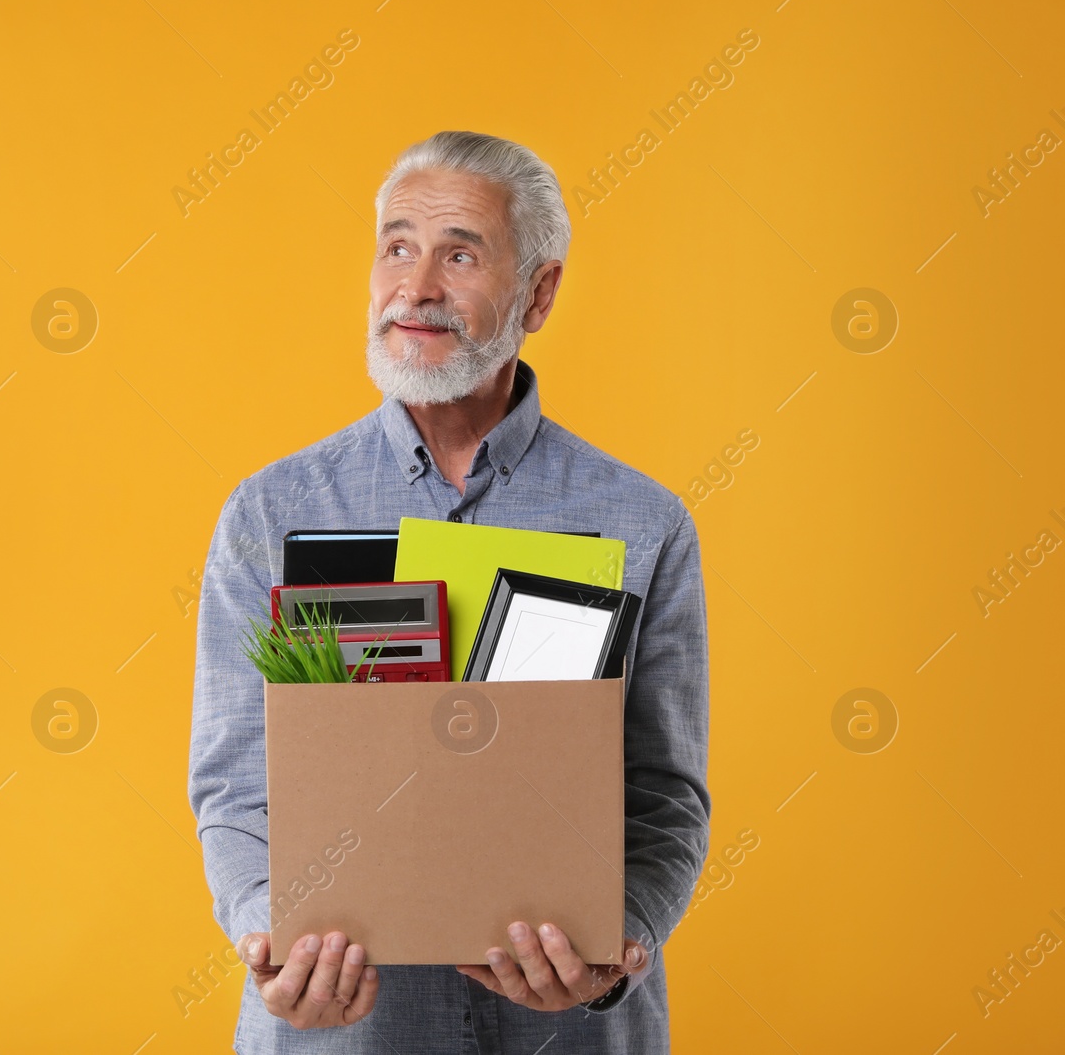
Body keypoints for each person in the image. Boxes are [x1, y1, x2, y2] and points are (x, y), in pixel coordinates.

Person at [187, 130, 710, 1053]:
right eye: (396, 246)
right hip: (344, 1033)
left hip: (571, 1035)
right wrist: (270, 934)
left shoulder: (644, 521)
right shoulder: (268, 513)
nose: (415, 286)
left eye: (459, 252)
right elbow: (234, 784)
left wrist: (613, 947)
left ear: (539, 292)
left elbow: (665, 794)